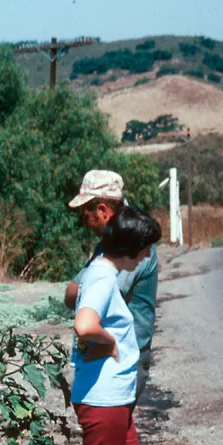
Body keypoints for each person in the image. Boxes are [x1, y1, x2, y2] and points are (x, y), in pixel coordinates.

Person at [56, 205, 163, 445]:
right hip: (104, 401)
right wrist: (111, 338)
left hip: (112, 397)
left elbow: (75, 302)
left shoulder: (101, 269)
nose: (149, 256)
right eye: (146, 249)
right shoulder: (103, 276)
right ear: (131, 249)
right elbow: (84, 322)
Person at [63, 170, 158, 402]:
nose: (85, 225)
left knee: (109, 433)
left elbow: (82, 294)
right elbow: (72, 295)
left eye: (85, 217)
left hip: (122, 354)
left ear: (103, 210)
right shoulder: (110, 245)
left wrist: (84, 287)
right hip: (109, 350)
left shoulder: (131, 247)